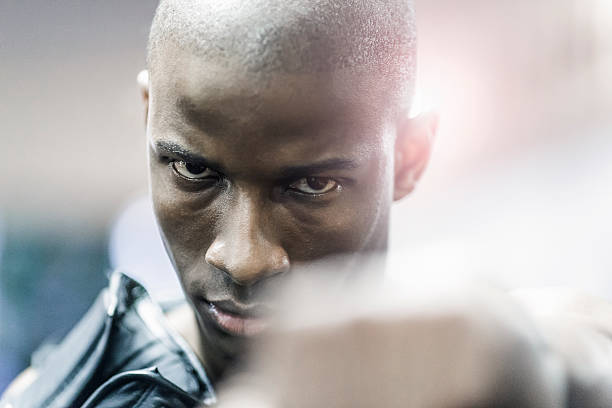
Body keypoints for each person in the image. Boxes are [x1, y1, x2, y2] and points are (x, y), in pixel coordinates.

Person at [2, 0, 612, 407]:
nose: (241, 259)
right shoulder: (69, 390)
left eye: (312, 185)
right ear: (148, 119)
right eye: (193, 170)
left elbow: (581, 349)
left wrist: (511, 357)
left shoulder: (487, 349)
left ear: (408, 155)